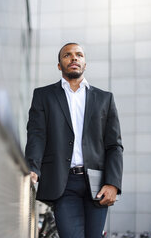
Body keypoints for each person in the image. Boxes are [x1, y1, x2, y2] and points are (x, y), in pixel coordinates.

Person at [24, 43, 123, 238]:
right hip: (63, 182)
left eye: (79, 55)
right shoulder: (44, 96)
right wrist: (33, 168)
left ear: (85, 64)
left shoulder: (105, 99)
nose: (74, 58)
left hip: (97, 184)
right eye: (67, 55)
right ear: (60, 65)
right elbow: (37, 135)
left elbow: (114, 145)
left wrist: (113, 183)